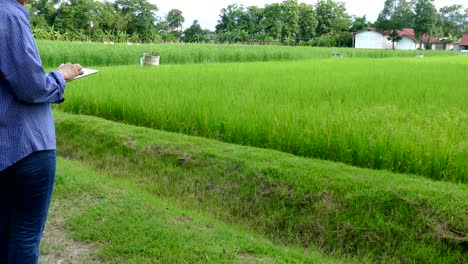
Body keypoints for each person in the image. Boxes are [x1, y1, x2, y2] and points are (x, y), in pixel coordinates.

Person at [0, 0, 84, 263]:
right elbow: (32, 87)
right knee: (24, 235)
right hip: (26, 145)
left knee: (4, 233)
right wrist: (61, 75)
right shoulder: (9, 14)